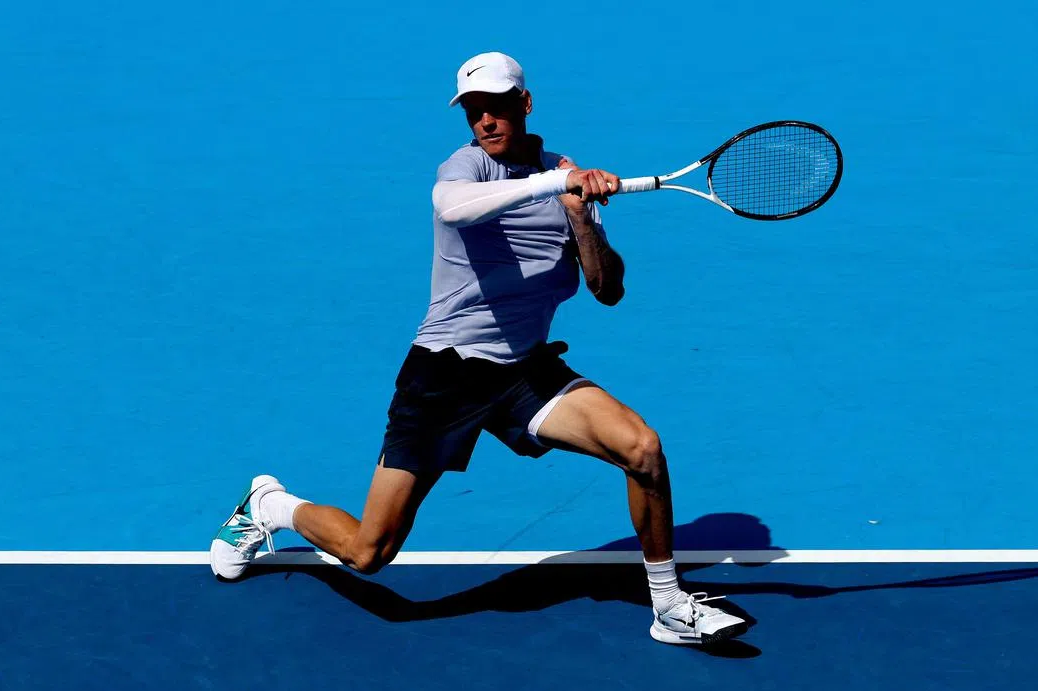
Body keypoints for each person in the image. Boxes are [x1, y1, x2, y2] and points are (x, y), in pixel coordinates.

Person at [209, 51, 748, 646]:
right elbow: (452, 208)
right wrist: (556, 182)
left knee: (641, 448)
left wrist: (580, 216)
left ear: (525, 104)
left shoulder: (564, 182)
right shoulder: (465, 169)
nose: (485, 122)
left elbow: (607, 289)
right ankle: (270, 506)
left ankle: (669, 604)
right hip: (444, 375)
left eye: (496, 108)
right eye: (473, 111)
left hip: (524, 371)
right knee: (369, 551)